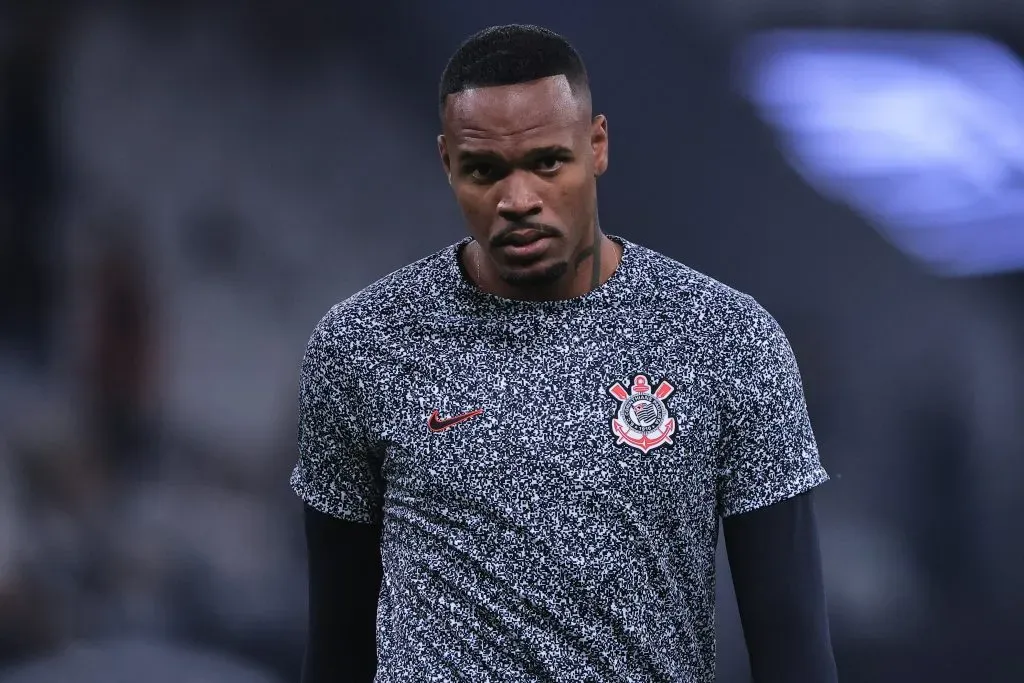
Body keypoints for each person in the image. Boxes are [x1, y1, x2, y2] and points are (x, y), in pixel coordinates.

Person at [294, 24, 838, 683]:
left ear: (598, 145)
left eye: (547, 162)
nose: (517, 200)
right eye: (483, 171)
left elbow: (793, 644)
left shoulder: (726, 339)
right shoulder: (363, 344)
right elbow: (337, 644)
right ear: (447, 163)